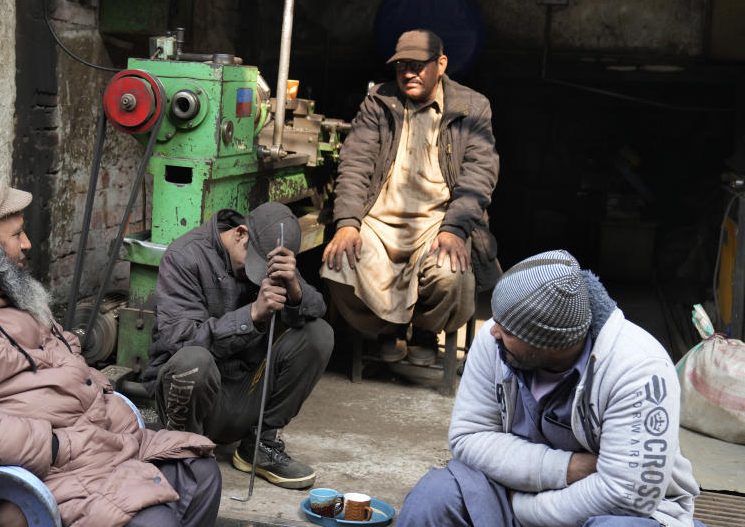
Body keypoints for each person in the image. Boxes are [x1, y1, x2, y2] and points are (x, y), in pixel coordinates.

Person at [0, 176, 220, 527]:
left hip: (95, 447)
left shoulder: (6, 295)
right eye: (16, 234)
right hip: (14, 485)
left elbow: (62, 356)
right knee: (153, 521)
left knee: (200, 474)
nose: (28, 243)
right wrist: (54, 445)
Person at [396, 250, 703, 527]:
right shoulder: (495, 343)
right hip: (512, 488)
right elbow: (468, 437)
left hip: (607, 511)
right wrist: (565, 468)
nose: (493, 330)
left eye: (508, 328)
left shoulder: (639, 367)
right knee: (434, 498)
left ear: (547, 344)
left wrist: (528, 509)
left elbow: (625, 494)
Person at [321, 29, 500, 365]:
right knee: (339, 264)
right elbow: (355, 163)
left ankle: (423, 330)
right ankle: (386, 328)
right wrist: (347, 222)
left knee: (452, 276)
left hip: (438, 223)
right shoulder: (379, 100)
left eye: (419, 65)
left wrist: (455, 229)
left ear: (441, 64)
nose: (408, 73)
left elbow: (480, 175)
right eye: (402, 65)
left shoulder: (472, 106)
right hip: (379, 221)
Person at [143, 202, 333, 490]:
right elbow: (179, 339)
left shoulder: (270, 252)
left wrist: (296, 292)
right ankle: (182, 453)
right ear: (240, 233)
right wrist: (252, 315)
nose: (252, 275)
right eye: (252, 263)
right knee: (192, 361)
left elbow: (316, 307)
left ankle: (258, 444)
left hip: (245, 393)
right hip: (198, 399)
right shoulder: (184, 256)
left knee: (318, 334)